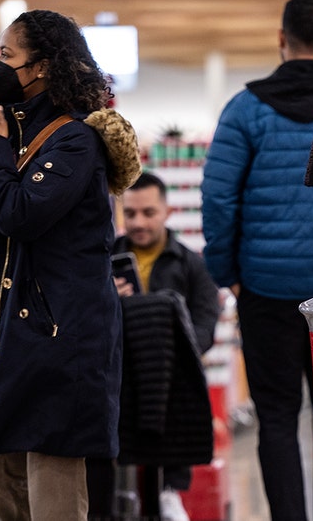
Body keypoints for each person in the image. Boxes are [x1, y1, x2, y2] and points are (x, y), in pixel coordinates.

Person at [0, 9, 140, 520]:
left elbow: (19, 215)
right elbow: (0, 245)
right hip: (18, 327)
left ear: (41, 67)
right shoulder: (15, 132)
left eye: (8, 55)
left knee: (52, 471)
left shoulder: (75, 140)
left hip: (65, 331)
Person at [201, 0, 313, 519]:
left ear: (280, 38)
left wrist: (229, 275)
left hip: (267, 289)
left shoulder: (245, 109)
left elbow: (218, 199)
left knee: (275, 417)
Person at [87, 172, 221, 521]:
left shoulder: (192, 265)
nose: (138, 222)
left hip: (171, 378)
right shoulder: (102, 261)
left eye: (148, 212)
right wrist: (106, 300)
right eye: (130, 214)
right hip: (118, 376)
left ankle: (168, 488)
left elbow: (205, 326)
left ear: (167, 211)